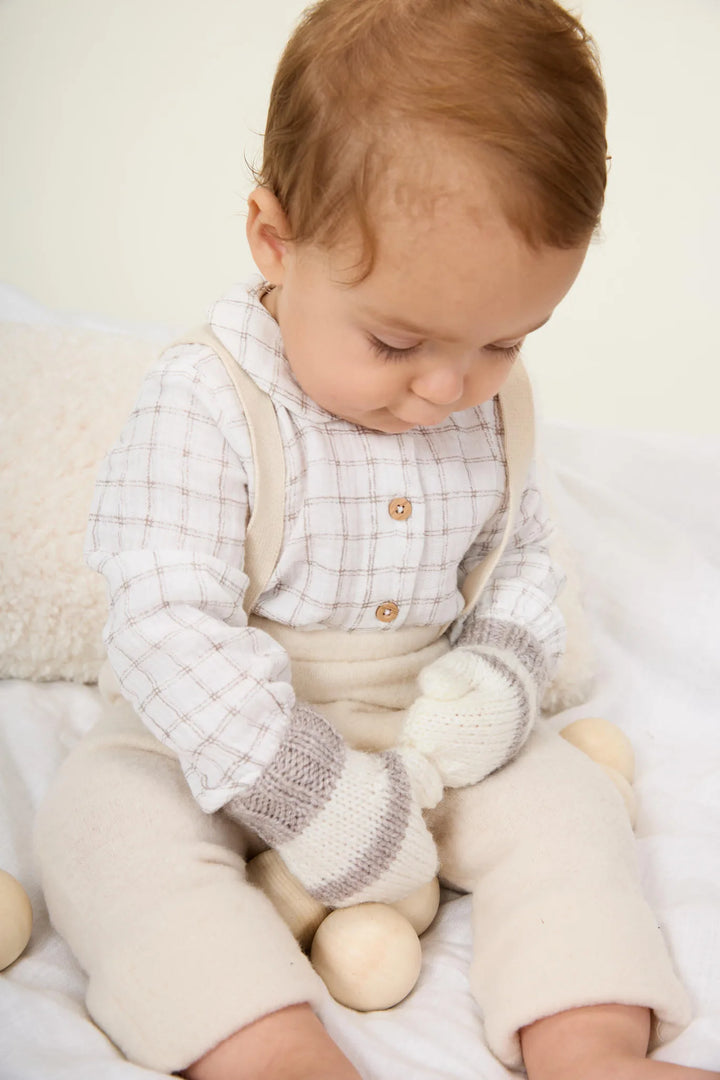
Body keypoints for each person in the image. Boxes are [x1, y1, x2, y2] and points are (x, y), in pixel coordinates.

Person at [34, 1, 716, 1079]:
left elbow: (523, 560)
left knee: (567, 805)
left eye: (505, 341)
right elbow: (166, 626)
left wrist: (495, 678)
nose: (449, 389)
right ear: (277, 240)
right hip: (213, 738)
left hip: (425, 733)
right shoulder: (205, 402)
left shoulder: (487, 409)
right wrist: (310, 794)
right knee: (101, 830)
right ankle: (269, 1048)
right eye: (398, 341)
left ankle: (590, 1042)